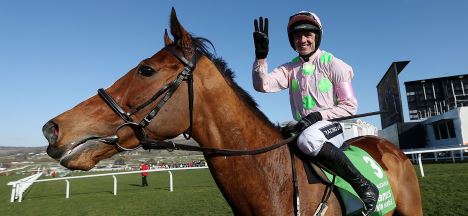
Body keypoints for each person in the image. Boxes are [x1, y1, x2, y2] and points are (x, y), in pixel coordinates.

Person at [252, 11, 378, 215]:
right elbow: (261, 85)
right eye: (297, 36)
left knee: (308, 139)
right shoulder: (290, 68)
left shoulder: (334, 65)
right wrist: (261, 57)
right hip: (304, 127)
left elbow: (349, 106)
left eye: (308, 34)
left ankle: (365, 186)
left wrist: (318, 116)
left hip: (333, 126)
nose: (303, 40)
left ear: (317, 36)